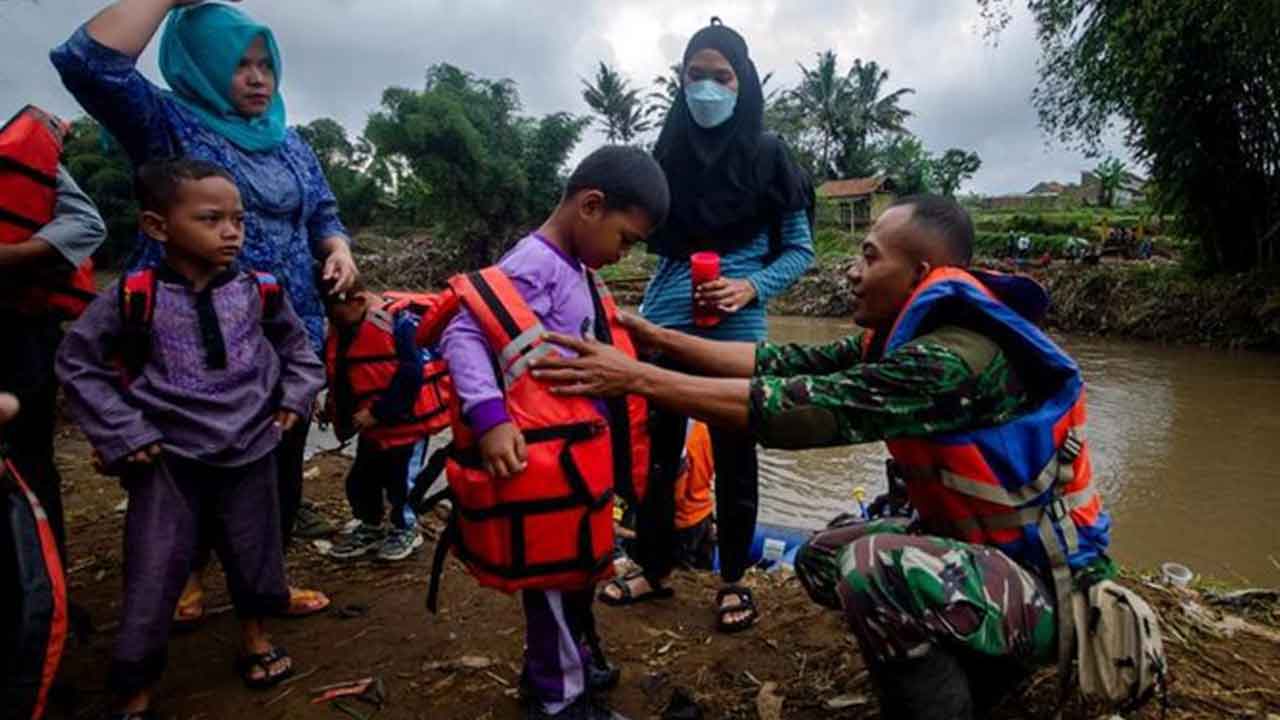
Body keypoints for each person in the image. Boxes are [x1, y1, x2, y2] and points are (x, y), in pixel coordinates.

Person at [532, 194, 1113, 720]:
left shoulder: (946, 363)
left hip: (1050, 587)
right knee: (822, 558)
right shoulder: (896, 339)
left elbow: (792, 410)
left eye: (869, 257)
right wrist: (654, 337)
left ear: (920, 274)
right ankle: (971, 660)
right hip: (982, 554)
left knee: (875, 571)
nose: (852, 271)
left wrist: (634, 377)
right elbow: (778, 364)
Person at [51, 0, 359, 619]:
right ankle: (184, 573)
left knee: (278, 457)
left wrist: (339, 248)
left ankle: (267, 580)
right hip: (187, 330)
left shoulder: (289, 142)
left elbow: (322, 211)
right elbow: (89, 64)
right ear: (201, 66)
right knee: (183, 458)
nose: (257, 78)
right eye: (238, 64)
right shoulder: (165, 124)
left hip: (283, 325)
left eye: (264, 63)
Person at [55, 158, 325, 720]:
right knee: (154, 569)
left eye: (239, 220)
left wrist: (293, 399)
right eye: (211, 219)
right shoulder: (133, 296)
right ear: (157, 227)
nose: (231, 232)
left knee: (256, 555)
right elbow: (79, 362)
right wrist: (125, 431)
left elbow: (299, 352)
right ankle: (135, 683)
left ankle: (253, 638)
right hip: (167, 457)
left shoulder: (260, 291)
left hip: (251, 446)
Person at [439, 145, 669, 720]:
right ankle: (557, 699)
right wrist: (490, 420)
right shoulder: (534, 264)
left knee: (577, 577)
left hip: (576, 462)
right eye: (627, 239)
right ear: (591, 206)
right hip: (543, 464)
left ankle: (566, 663)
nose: (623, 255)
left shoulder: (577, 268)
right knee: (555, 585)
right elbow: (466, 333)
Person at [606, 17, 814, 633]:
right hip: (665, 321)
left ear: (742, 81)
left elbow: (799, 251)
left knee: (734, 456)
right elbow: (643, 239)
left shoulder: (770, 155)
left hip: (736, 330)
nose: (706, 88)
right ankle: (653, 568)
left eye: (720, 76)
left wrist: (749, 285)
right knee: (660, 456)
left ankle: (734, 580)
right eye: (694, 75)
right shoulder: (664, 153)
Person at [0, 114, 106, 562]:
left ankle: (47, 581)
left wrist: (12, 256)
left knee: (30, 457)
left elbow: (87, 225)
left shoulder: (24, 155)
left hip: (18, 327)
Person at [321, 280, 450, 562]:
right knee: (361, 480)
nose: (332, 320)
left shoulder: (399, 324)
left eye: (335, 312)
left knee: (402, 482)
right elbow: (343, 372)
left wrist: (378, 412)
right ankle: (370, 525)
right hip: (372, 430)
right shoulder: (346, 328)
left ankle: (405, 528)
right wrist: (333, 406)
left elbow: (410, 375)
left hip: (404, 425)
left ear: (356, 301)